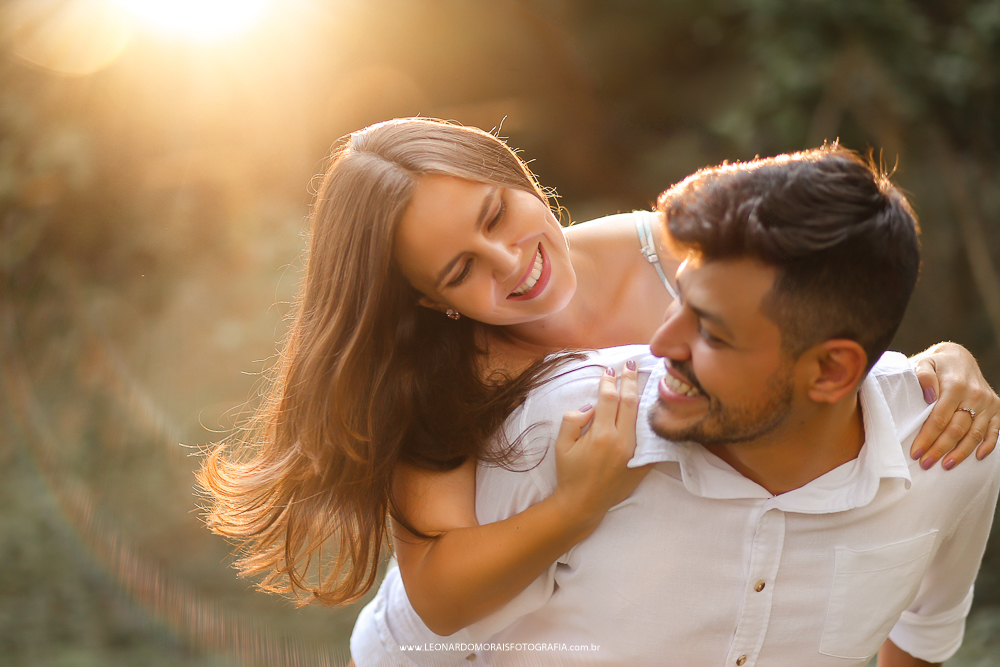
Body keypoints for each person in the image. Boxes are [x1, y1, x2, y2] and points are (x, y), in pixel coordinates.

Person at [196, 118, 997, 639]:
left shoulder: (670, 244)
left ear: (511, 168)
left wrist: (941, 362)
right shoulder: (445, 372)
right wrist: (576, 504)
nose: (512, 263)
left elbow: (816, 328)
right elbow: (439, 595)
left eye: (496, 214)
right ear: (427, 298)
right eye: (461, 269)